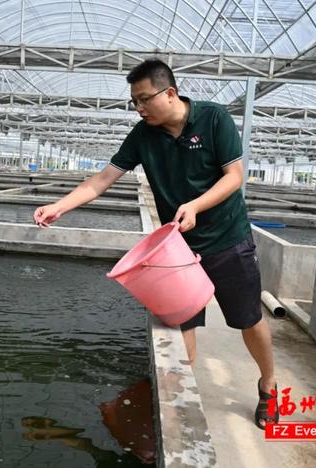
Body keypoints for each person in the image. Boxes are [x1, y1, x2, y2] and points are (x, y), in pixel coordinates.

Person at [32, 58, 278, 429]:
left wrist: (195, 205)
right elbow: (101, 180)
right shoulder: (142, 135)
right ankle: (178, 405)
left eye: (144, 99)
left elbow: (234, 177)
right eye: (134, 101)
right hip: (177, 249)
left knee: (248, 319)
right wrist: (59, 207)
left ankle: (268, 384)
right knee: (182, 329)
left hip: (228, 240)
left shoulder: (213, 119)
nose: (139, 107)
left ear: (170, 93)